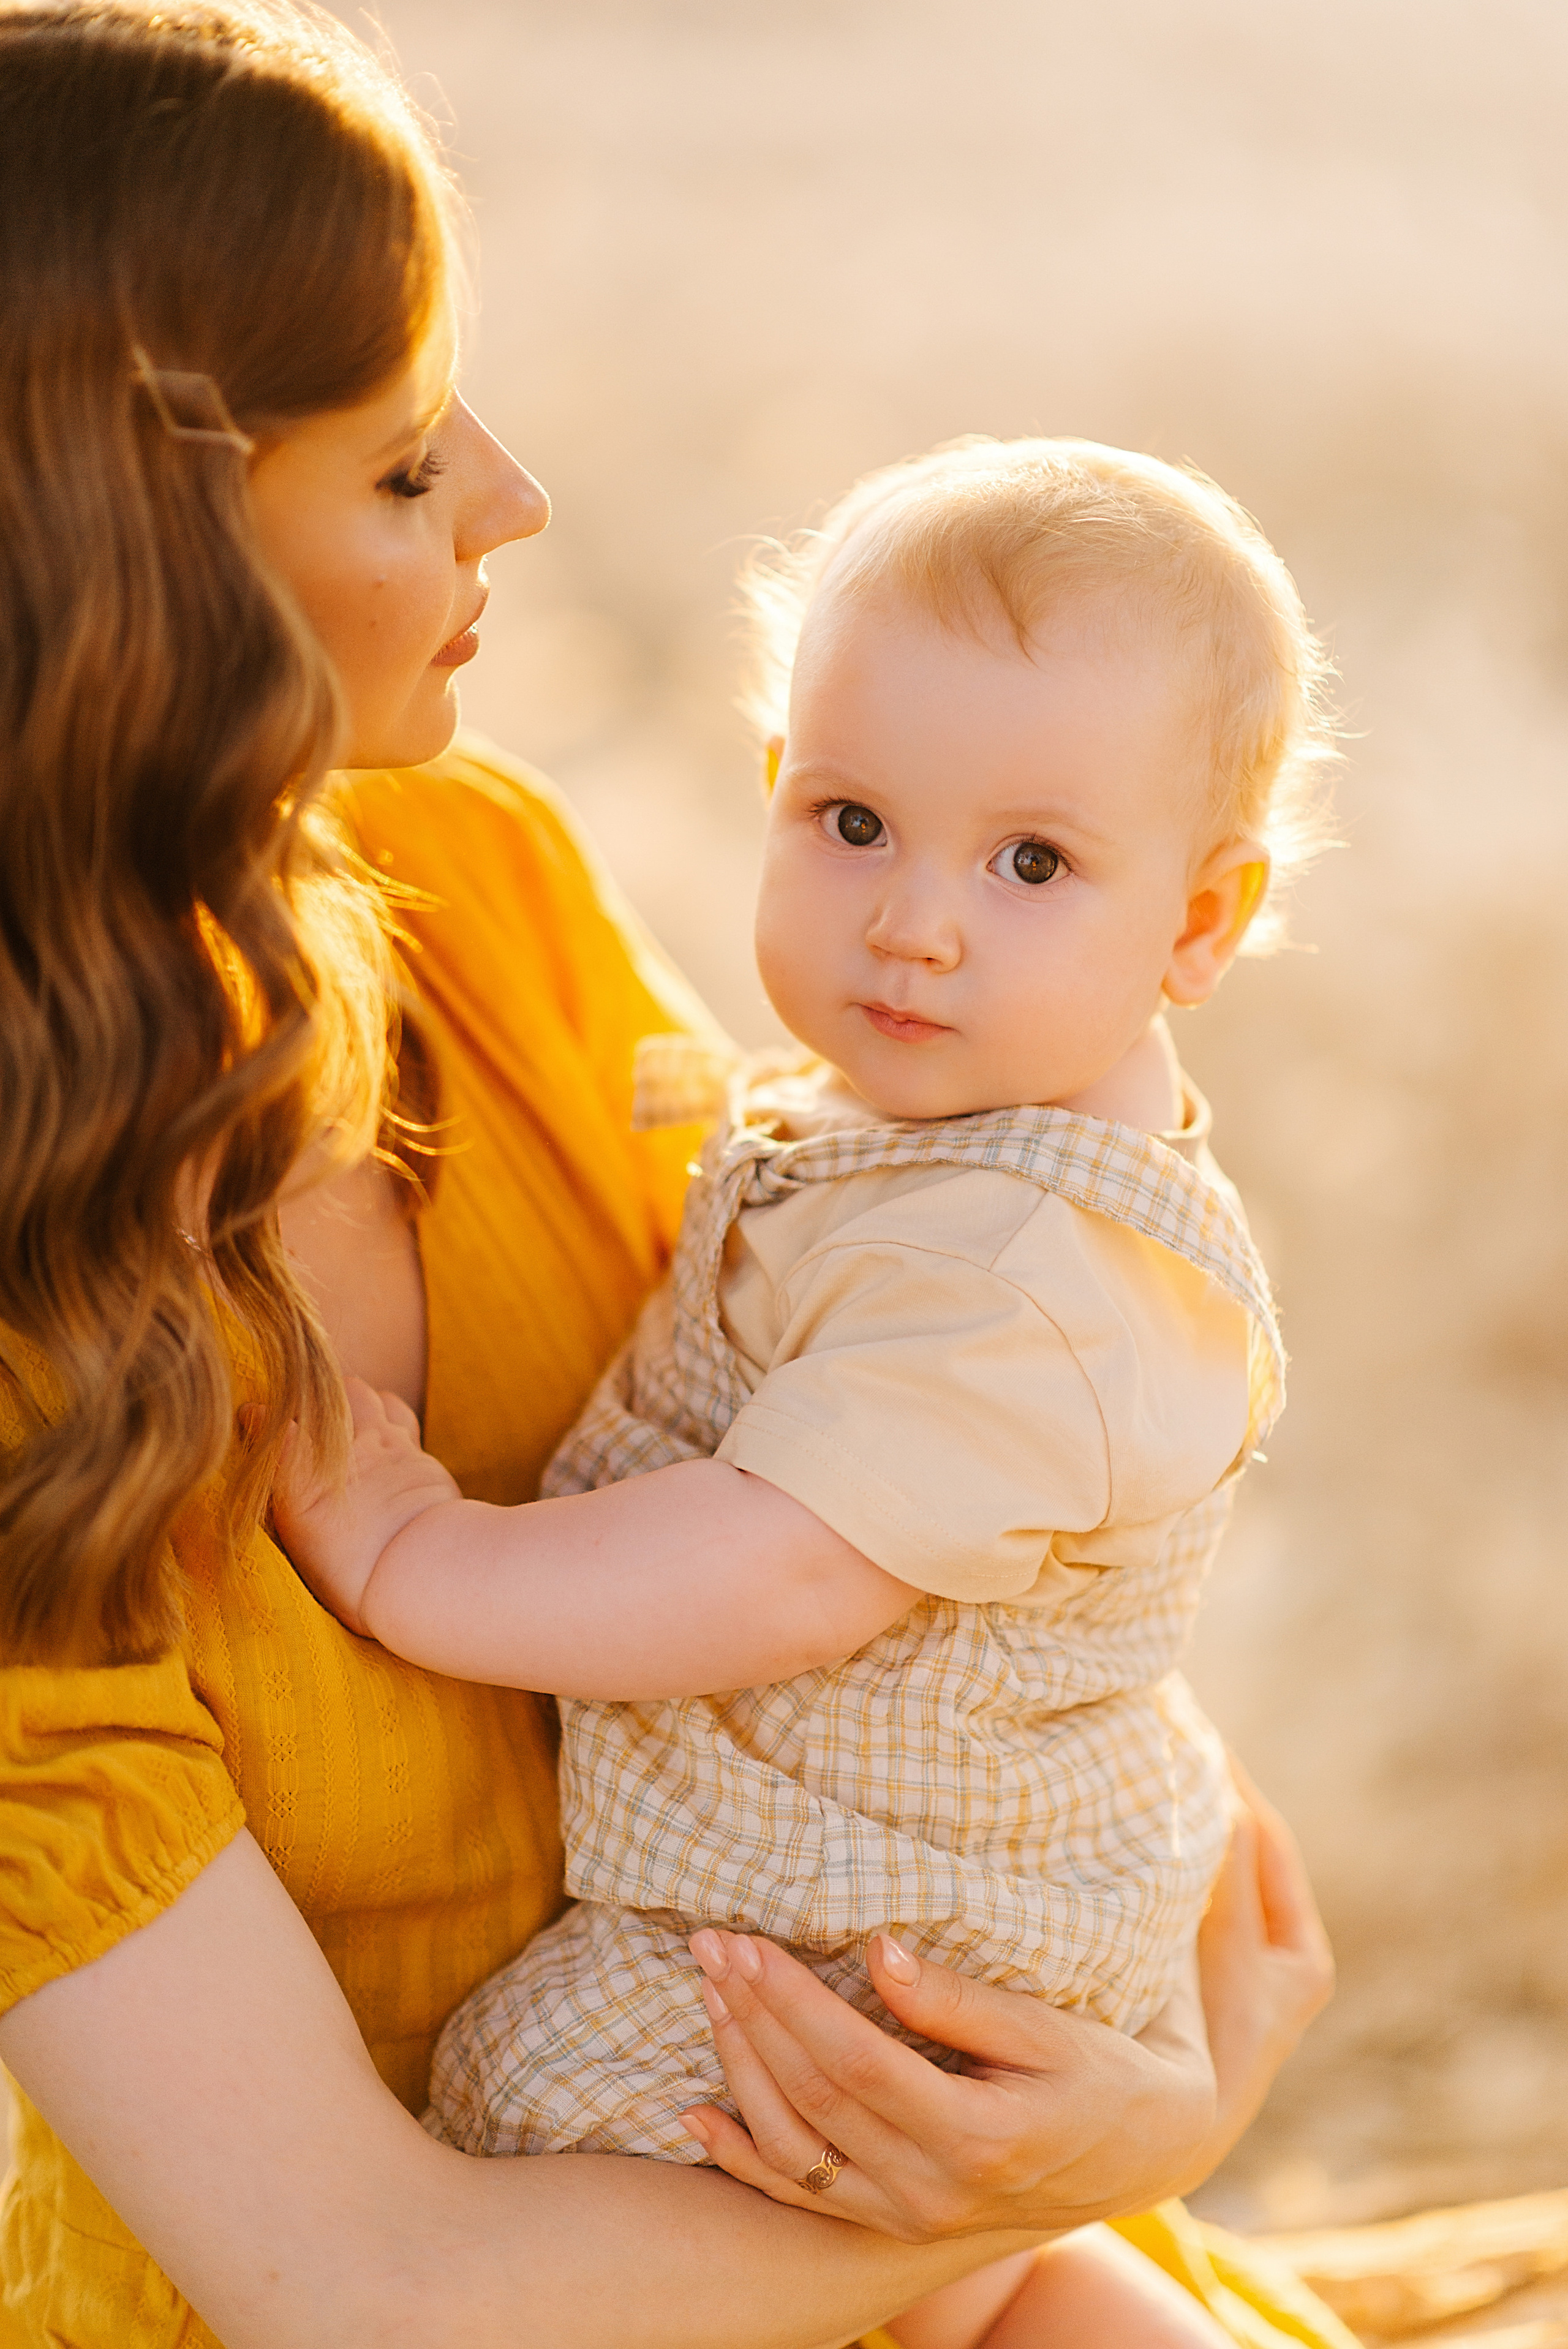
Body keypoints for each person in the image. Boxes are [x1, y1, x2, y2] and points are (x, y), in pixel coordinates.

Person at [0, 5, 1349, 2346]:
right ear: (148, 554)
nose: (517, 494)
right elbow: (377, 2290)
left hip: (861, 2153)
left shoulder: (470, 873)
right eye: (411, 463)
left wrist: (1120, 2091)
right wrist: (1146, 2117)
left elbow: (915, 1440)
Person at [277, 436, 1318, 2349]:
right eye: (852, 822)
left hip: (878, 1926)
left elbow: (776, 1568)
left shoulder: (1019, 1277)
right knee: (981, 2286)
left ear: (1199, 920)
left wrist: (420, 1555)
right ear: (773, 787)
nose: (916, 920)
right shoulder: (927, 1126)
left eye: (1030, 862)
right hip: (893, 1879)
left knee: (553, 2109)